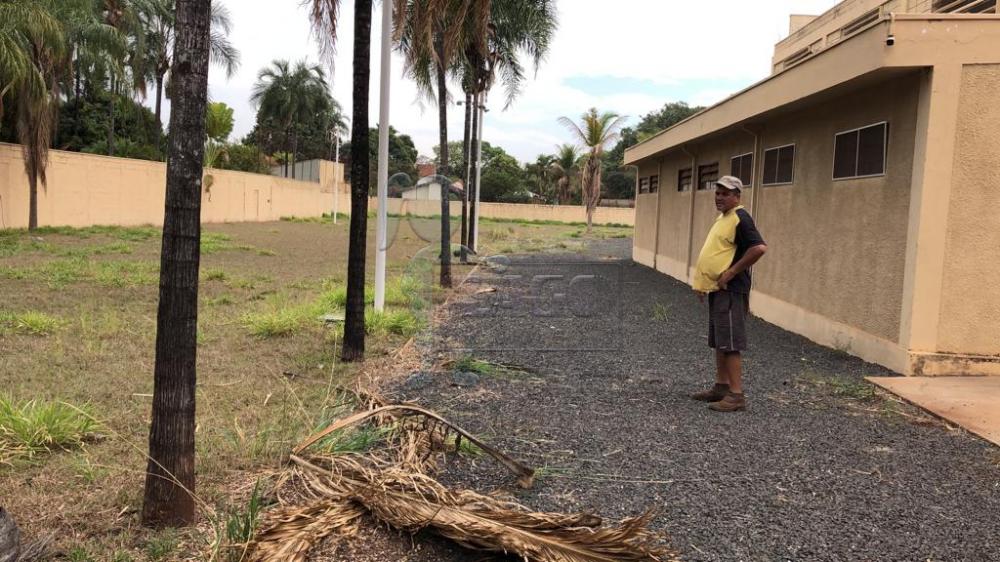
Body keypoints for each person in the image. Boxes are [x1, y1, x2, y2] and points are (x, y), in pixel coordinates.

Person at [690, 175, 767, 412]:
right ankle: (721, 387)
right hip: (718, 290)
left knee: (731, 342)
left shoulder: (741, 218)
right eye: (718, 193)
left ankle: (736, 396)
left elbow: (759, 248)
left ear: (737, 196)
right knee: (721, 340)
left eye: (726, 194)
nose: (720, 197)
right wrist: (704, 283)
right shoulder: (724, 218)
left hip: (731, 290)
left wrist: (731, 273)